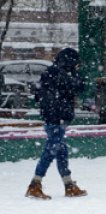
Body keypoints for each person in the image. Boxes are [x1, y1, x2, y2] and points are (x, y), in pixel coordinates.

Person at [25, 47, 87, 200]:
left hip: (55, 118)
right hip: (55, 119)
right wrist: (57, 116)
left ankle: (68, 184)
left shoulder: (55, 72)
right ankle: (35, 184)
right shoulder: (58, 74)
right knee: (50, 151)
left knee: (61, 152)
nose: (77, 67)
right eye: (76, 64)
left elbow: (78, 87)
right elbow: (77, 87)